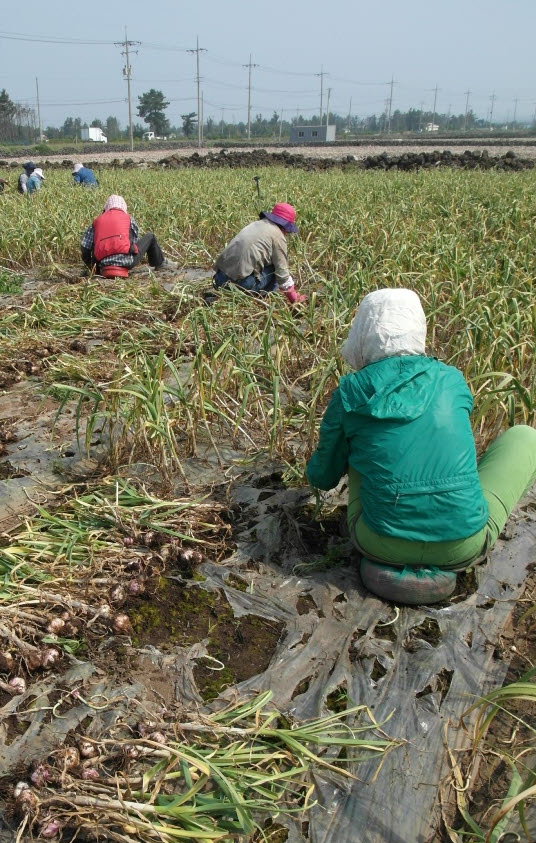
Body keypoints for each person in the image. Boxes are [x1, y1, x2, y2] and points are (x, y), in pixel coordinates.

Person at [305, 288, 536, 581]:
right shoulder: (451, 380)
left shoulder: (351, 393)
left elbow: (323, 478)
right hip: (462, 546)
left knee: (362, 445)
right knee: (526, 437)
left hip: (379, 543)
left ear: (363, 332)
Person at [213, 202, 306, 303]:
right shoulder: (278, 235)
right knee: (276, 267)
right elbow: (282, 275)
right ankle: (264, 297)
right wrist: (294, 299)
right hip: (240, 286)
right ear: (285, 227)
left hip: (219, 280)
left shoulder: (255, 225)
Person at [80, 194, 164, 278]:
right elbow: (134, 243)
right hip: (127, 262)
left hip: (103, 264)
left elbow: (85, 247)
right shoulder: (129, 219)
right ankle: (159, 264)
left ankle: (97, 271)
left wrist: (92, 266)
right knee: (151, 236)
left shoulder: (97, 221)